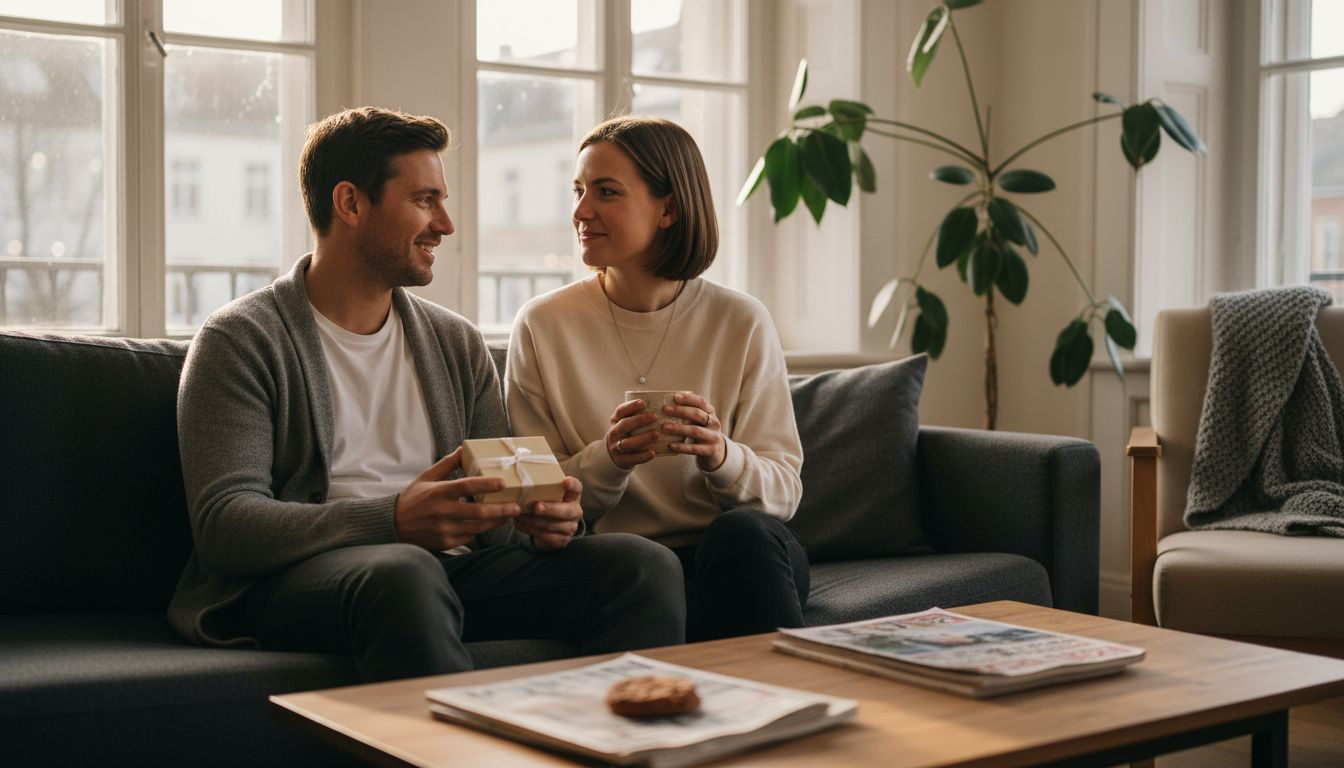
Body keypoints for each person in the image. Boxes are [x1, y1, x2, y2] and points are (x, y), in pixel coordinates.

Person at [167, 107, 685, 682]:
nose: (446, 224)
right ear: (351, 204)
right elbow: (225, 527)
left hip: (445, 572)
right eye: (424, 200)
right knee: (405, 572)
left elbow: (503, 505)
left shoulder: (454, 342)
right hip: (301, 580)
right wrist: (391, 520)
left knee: (642, 565)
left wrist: (548, 520)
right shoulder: (240, 340)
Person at [506, 116, 807, 641]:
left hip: (740, 556)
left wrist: (721, 455)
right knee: (642, 568)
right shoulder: (543, 324)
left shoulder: (740, 320)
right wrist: (611, 457)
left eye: (605, 192)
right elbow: (534, 500)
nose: (580, 212)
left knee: (741, 536)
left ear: (668, 208)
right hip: (620, 567)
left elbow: (783, 493)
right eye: (578, 191)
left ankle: (785, 710)